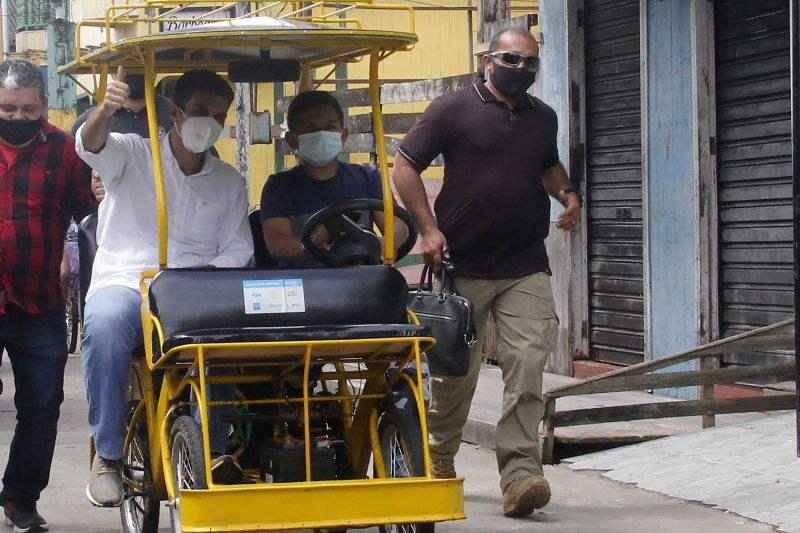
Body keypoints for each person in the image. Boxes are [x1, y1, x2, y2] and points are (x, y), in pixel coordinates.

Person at [391, 27, 582, 518]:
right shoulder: (452, 109)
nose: (520, 69)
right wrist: (428, 230)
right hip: (463, 266)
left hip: (525, 264)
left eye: (529, 63)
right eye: (510, 59)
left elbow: (547, 165)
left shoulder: (544, 117)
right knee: (457, 376)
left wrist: (566, 193)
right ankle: (436, 461)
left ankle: (520, 475)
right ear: (485, 58)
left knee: (528, 367)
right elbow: (405, 167)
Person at [76, 67, 254, 507]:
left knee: (229, 331)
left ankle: (213, 450)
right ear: (175, 112)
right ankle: (110, 455)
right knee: (103, 327)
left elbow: (237, 251)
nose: (207, 122)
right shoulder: (133, 153)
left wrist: (199, 286)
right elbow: (91, 144)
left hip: (195, 293)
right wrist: (106, 109)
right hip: (127, 283)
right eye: (198, 111)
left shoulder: (229, 180)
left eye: (218, 114)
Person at [0, 58, 96, 532]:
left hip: (38, 302)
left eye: (28, 110)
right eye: (7, 109)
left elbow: (92, 215)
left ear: (45, 106)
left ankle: (20, 499)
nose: (17, 118)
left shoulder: (64, 153)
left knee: (41, 406)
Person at [260, 90, 406, 268]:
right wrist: (311, 242)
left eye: (329, 127)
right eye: (310, 129)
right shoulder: (278, 187)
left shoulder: (368, 178)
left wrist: (389, 241)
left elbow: (397, 226)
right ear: (292, 140)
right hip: (301, 284)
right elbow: (277, 245)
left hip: (361, 280)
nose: (321, 134)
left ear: (343, 136)